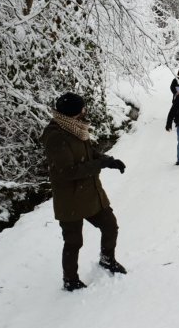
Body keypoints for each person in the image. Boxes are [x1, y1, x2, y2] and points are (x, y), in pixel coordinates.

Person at [40, 92, 128, 292]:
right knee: (73, 241)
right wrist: (98, 165)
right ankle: (70, 280)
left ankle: (107, 259)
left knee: (110, 225)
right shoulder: (56, 136)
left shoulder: (77, 128)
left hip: (90, 193)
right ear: (73, 113)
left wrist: (109, 161)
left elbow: (89, 154)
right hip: (70, 198)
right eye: (82, 108)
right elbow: (68, 171)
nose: (85, 111)